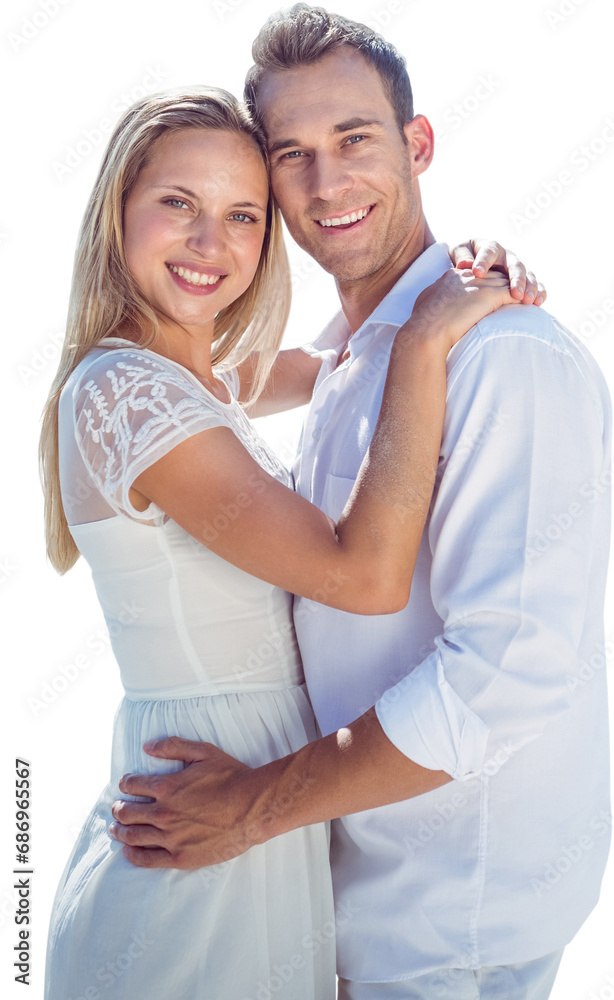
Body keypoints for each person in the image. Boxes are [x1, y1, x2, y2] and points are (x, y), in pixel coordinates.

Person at [108, 6, 612, 1000]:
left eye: (354, 140)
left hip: (447, 929)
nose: (326, 184)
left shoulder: (501, 355)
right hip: (348, 916)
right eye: (290, 156)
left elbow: (505, 672)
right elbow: (188, 383)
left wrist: (252, 808)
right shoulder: (351, 364)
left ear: (417, 144)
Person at [40, 85, 528, 998]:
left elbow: (331, 353)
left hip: (248, 802)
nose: (210, 243)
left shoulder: (195, 383)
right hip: (197, 819)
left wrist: (450, 270)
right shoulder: (129, 396)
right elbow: (366, 576)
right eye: (178, 203)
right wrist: (427, 339)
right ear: (117, 211)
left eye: (243, 216)